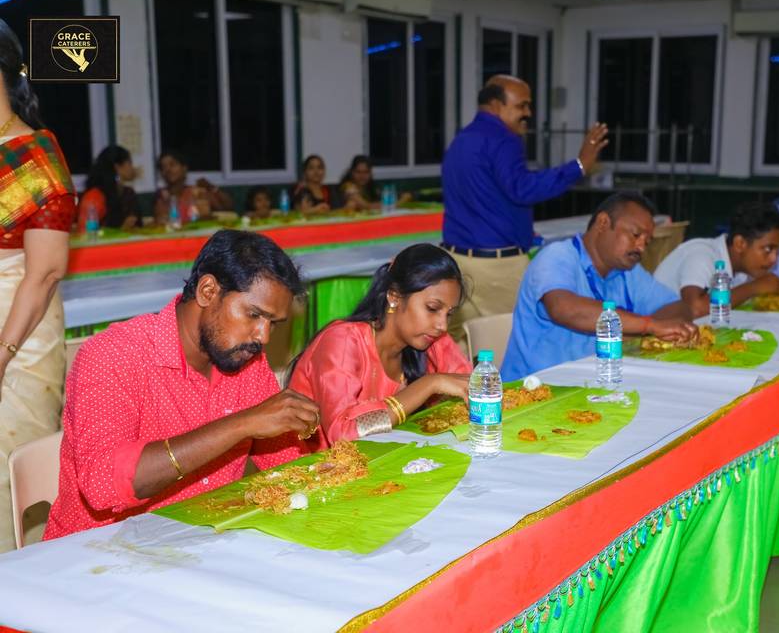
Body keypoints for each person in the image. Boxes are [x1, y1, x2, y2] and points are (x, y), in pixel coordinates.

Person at [44, 231, 321, 540]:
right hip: (96, 556)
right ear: (207, 291)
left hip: (197, 548)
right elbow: (103, 485)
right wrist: (242, 424)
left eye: (273, 324)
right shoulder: (115, 354)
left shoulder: (246, 361)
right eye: (254, 314)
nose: (263, 337)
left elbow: (292, 468)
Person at [441, 75, 610, 341]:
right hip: (496, 268)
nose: (528, 114)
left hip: (456, 261)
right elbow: (521, 189)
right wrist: (578, 166)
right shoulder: (504, 139)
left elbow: (486, 197)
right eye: (522, 106)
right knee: (517, 341)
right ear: (496, 105)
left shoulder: (462, 140)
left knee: (467, 346)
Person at [0, 19, 77, 552]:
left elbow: (44, 272)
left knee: (9, 476)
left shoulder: (35, 154)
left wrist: (1, 354)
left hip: (18, 336)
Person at [287, 244, 471, 448]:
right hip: (316, 471)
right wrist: (429, 384)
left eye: (449, 313)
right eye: (433, 308)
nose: (442, 324)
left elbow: (471, 385)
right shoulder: (343, 341)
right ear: (394, 297)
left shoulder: (431, 337)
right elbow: (342, 435)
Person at [501, 193, 697, 381]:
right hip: (535, 390)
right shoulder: (557, 256)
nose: (641, 247)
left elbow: (679, 308)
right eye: (636, 234)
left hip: (596, 383)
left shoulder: (628, 271)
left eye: (647, 241)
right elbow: (564, 309)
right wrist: (647, 326)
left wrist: (643, 329)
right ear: (603, 223)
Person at [654, 202, 779, 318]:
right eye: (768, 249)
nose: (774, 259)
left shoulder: (741, 269)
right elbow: (694, 309)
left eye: (778, 251)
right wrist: (755, 287)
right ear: (740, 244)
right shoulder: (702, 255)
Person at [153, 150, 234, 225]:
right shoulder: (161, 196)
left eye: (172, 164)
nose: (168, 170)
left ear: (184, 168)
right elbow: (161, 223)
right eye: (163, 167)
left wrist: (211, 187)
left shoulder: (198, 192)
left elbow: (227, 207)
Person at [77, 145, 140, 231]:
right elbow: (86, 234)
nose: (132, 167)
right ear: (117, 167)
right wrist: (122, 230)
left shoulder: (128, 193)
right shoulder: (94, 197)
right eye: (129, 163)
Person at [338, 155, 406, 211]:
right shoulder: (348, 186)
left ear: (370, 173)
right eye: (358, 172)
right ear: (352, 172)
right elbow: (366, 206)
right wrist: (400, 202)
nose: (362, 176)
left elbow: (385, 198)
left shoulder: (371, 186)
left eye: (366, 172)